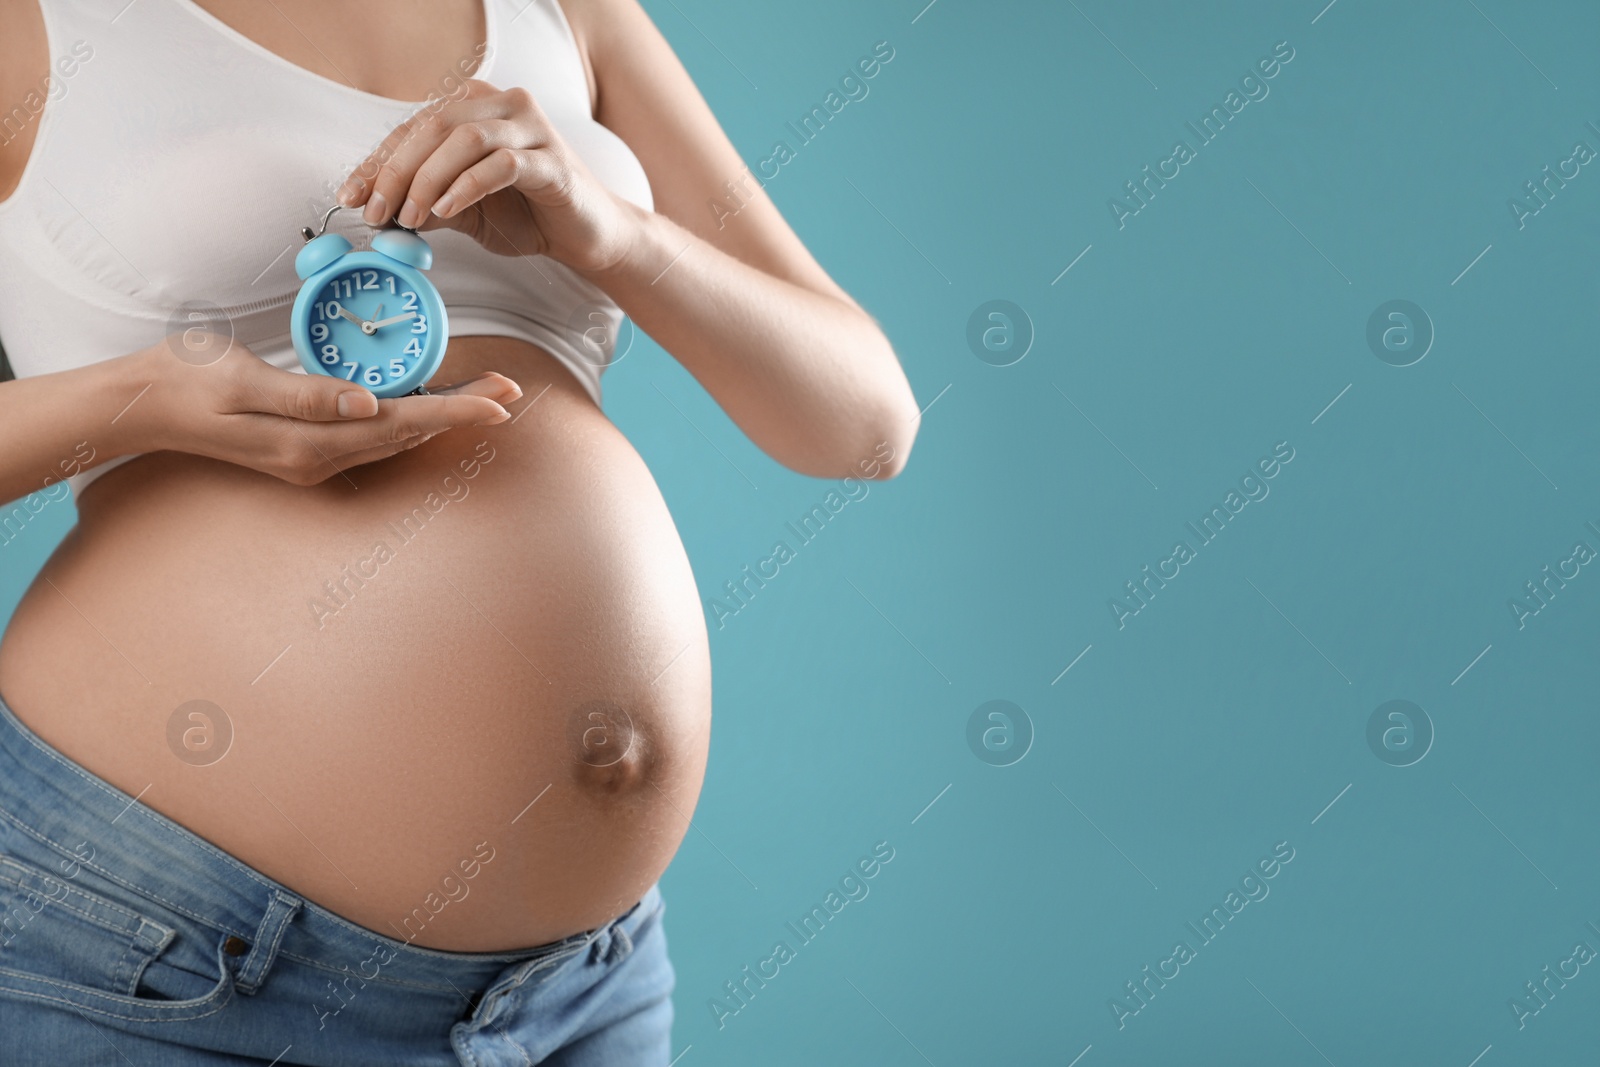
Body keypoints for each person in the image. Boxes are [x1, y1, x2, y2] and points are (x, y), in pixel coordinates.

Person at [0, 0, 917, 1061]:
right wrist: (143, 398)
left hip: (581, 989)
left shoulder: (568, 13)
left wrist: (610, 229)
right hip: (166, 951)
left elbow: (862, 424)